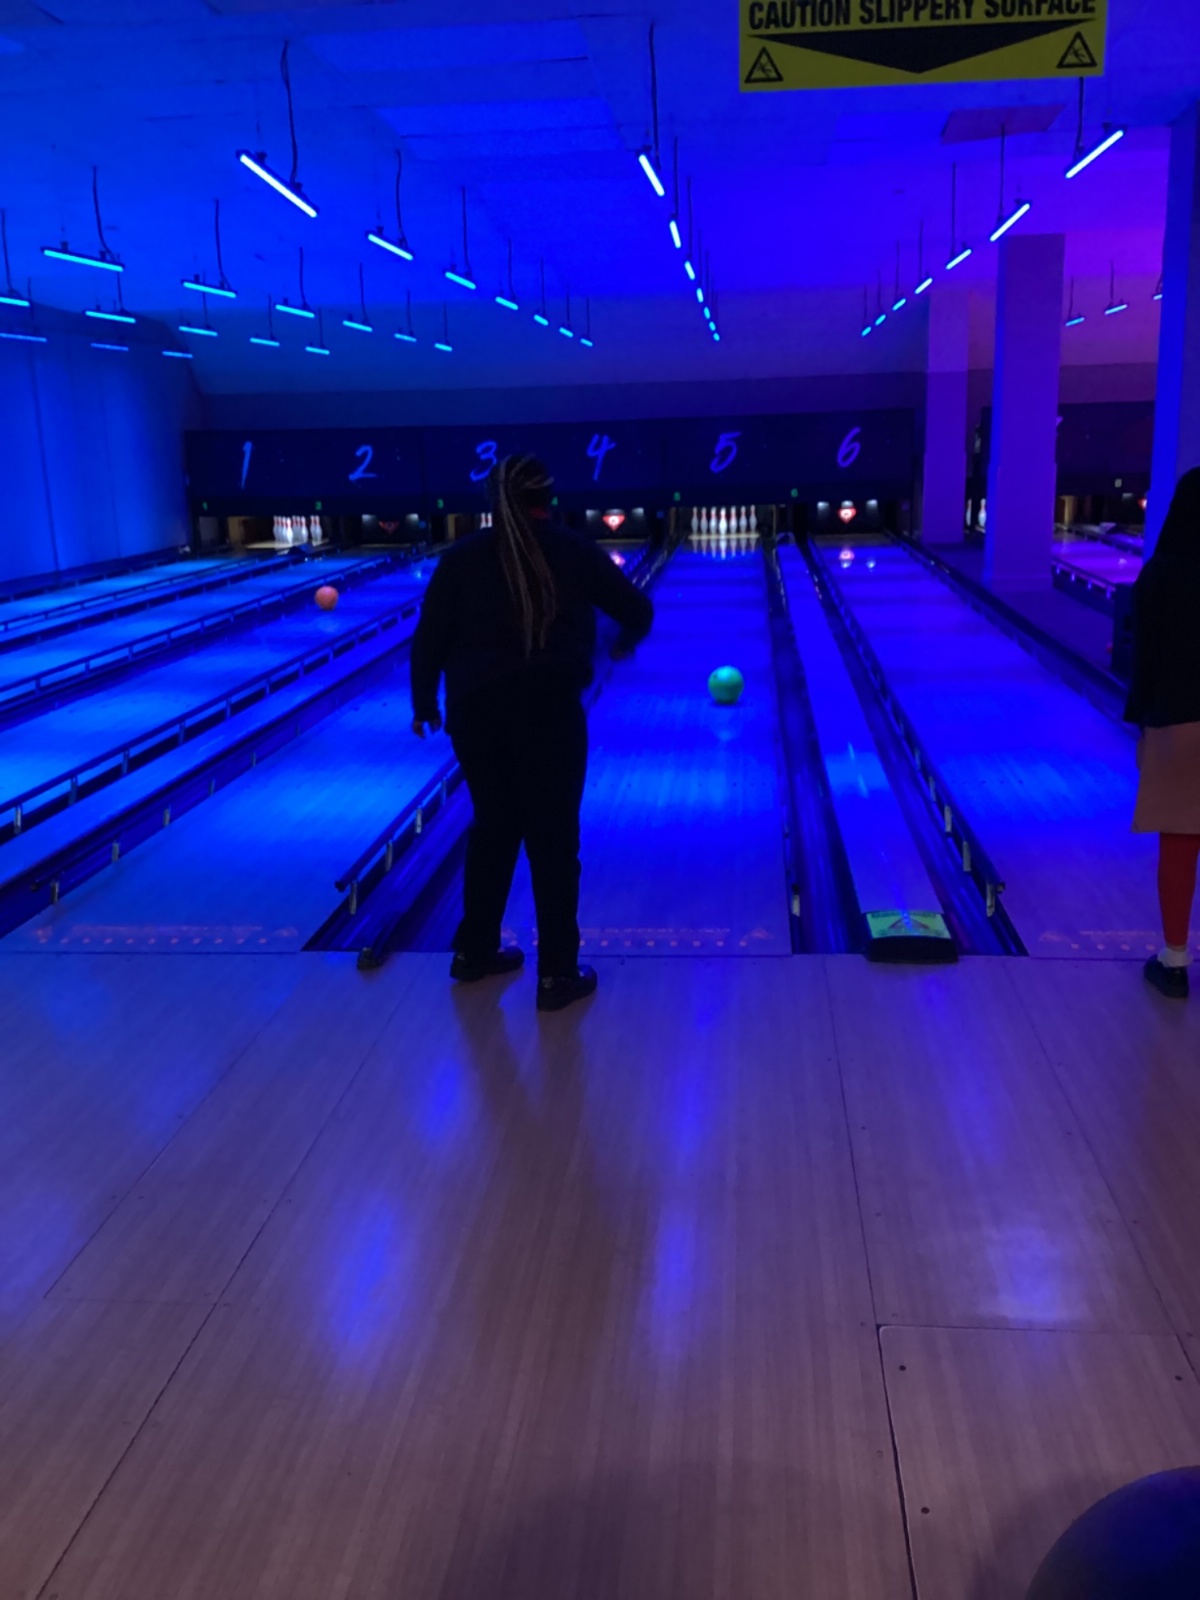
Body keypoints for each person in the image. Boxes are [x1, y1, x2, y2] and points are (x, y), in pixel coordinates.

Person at [410, 455, 654, 1012]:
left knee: (494, 829)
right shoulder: (573, 549)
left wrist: (424, 702)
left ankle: (474, 953)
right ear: (549, 498)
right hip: (549, 714)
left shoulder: (462, 558)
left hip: (476, 716)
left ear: (494, 501)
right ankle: (557, 975)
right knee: (553, 842)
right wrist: (619, 643)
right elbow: (637, 610)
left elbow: (429, 638)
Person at [1125, 466, 1200, 1000]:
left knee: (1179, 838)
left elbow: (1144, 660)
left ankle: (1174, 962)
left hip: (1177, 722)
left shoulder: (1161, 576)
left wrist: (1142, 725)